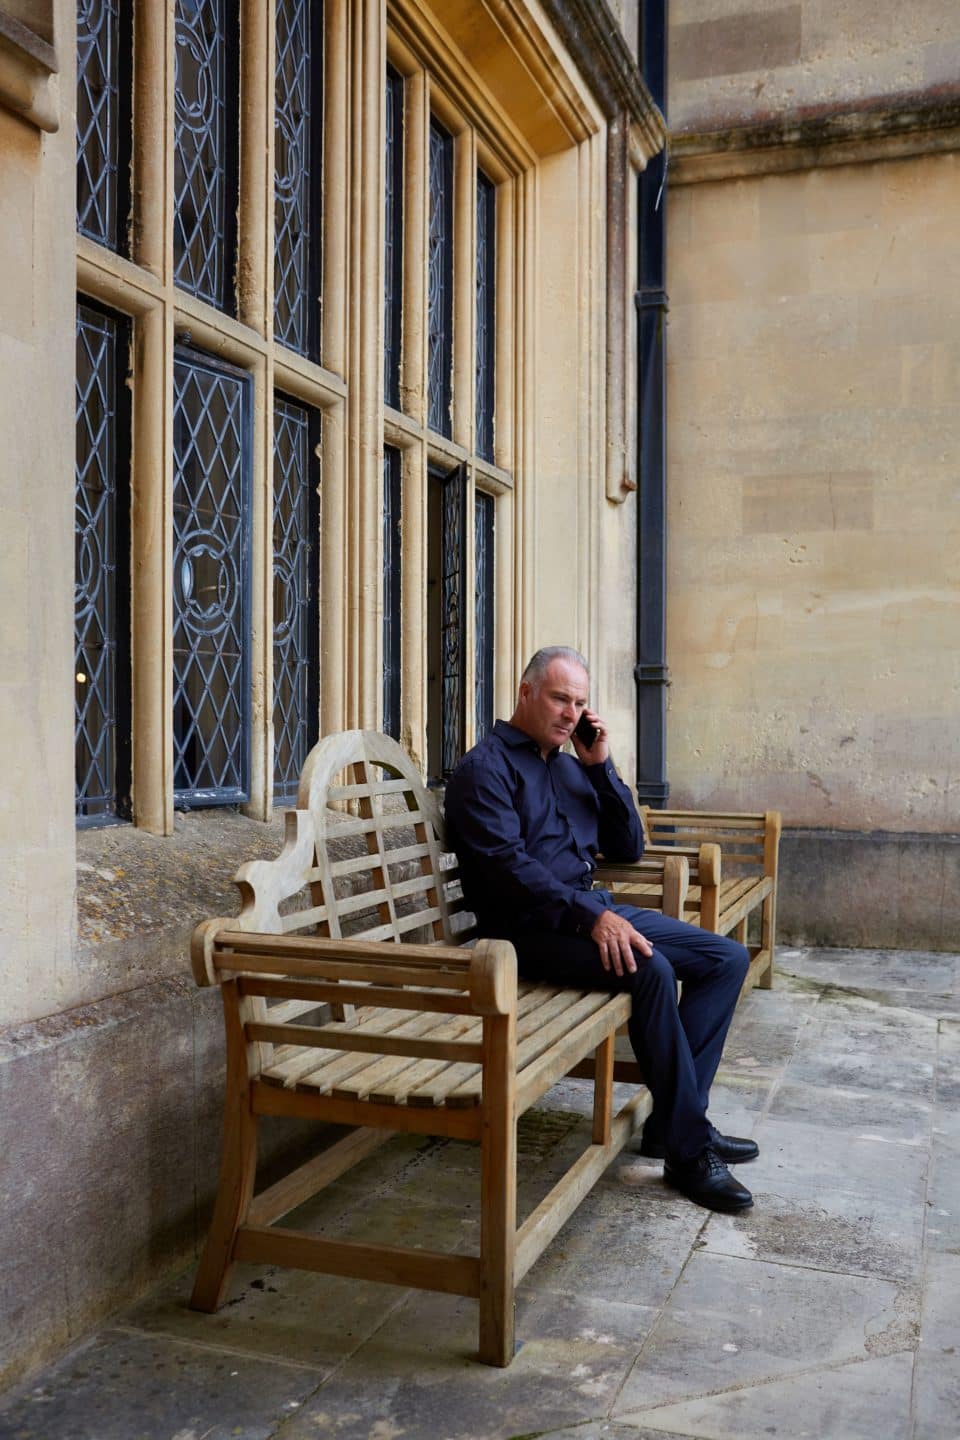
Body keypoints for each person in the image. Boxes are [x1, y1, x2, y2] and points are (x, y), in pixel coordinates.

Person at [444, 645, 758, 1213]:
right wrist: (592, 917)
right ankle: (687, 1152)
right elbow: (509, 868)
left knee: (726, 960)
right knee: (651, 970)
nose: (570, 713)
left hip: (590, 914)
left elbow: (627, 845)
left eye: (580, 703)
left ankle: (671, 1124)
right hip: (525, 935)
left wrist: (601, 767)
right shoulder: (483, 770)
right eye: (561, 698)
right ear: (526, 692)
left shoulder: (568, 763)